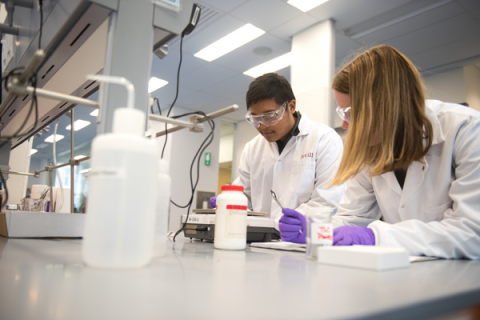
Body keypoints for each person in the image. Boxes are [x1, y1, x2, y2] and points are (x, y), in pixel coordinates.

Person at [282, 45, 480, 259]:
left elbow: (471, 232)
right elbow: (353, 217)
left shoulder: (466, 130)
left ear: (385, 104)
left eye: (349, 112)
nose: (345, 124)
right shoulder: (371, 150)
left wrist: (375, 237)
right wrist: (317, 230)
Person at [211, 73, 345, 242]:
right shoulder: (252, 148)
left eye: (269, 116)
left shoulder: (324, 139)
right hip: (260, 243)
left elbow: (326, 200)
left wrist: (299, 221)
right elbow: (245, 195)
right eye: (255, 118)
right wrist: (229, 201)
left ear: (291, 106)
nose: (262, 125)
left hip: (303, 242)